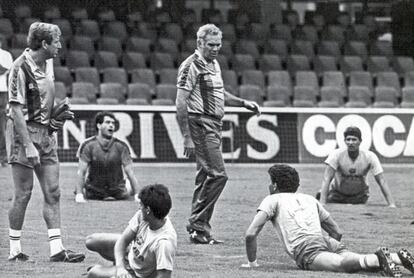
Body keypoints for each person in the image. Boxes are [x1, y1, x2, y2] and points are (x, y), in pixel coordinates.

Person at [242, 164, 414, 277]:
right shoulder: (310, 199)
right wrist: (330, 246)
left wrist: (252, 264)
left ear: (274, 185)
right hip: (326, 240)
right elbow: (336, 231)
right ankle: (397, 257)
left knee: (342, 265)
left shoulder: (272, 199)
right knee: (357, 261)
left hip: (306, 247)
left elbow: (251, 233)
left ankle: (379, 258)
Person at [6, 22, 84, 263]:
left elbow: (41, 101)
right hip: (24, 134)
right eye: (57, 41)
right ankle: (14, 249)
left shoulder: (48, 63)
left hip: (46, 134)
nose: (60, 46)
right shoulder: (19, 68)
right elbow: (16, 110)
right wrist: (28, 144)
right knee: (24, 193)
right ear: (44, 44)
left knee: (54, 191)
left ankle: (57, 249)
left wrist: (56, 114)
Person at [176, 23, 261, 244]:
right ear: (199, 43)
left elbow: (219, 93)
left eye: (218, 44)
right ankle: (197, 223)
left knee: (204, 176)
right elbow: (180, 101)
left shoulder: (213, 64)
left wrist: (243, 103)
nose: (215, 49)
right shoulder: (191, 65)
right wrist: (186, 136)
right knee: (218, 175)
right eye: (211, 45)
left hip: (213, 123)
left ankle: (199, 232)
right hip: (201, 123)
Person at [85, 183, 177, 278]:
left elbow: (164, 275)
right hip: (131, 254)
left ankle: (111, 272)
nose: (139, 208)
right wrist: (120, 267)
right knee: (90, 240)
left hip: (137, 274)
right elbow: (123, 241)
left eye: (141, 205)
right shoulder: (144, 216)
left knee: (93, 273)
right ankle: (114, 268)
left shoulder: (164, 242)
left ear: (148, 209)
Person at [317, 126, 396, 207]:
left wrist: (391, 204)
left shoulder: (370, 156)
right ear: (345, 141)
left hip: (359, 197)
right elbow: (327, 178)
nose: (350, 143)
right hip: (337, 194)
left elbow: (381, 180)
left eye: (354, 139)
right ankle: (323, 194)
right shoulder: (336, 155)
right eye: (348, 139)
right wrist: (322, 203)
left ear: (360, 141)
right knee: (320, 197)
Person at [74, 111, 140, 203]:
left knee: (129, 187)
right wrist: (79, 195)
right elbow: (81, 172)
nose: (111, 125)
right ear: (99, 126)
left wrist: (137, 195)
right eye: (108, 122)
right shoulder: (87, 145)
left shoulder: (122, 146)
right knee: (78, 188)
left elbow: (130, 172)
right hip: (94, 191)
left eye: (113, 123)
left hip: (119, 191)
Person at [0, 39, 13, 166]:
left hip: (1, 92)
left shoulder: (5, 55)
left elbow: (5, 69)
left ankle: (3, 158)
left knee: (1, 126)